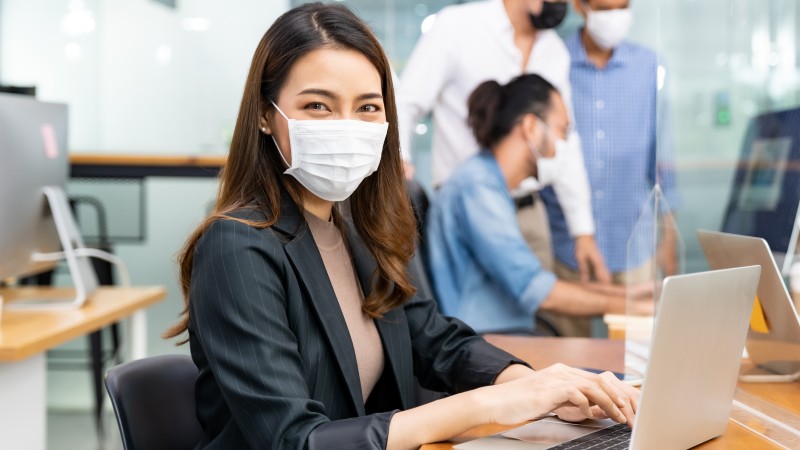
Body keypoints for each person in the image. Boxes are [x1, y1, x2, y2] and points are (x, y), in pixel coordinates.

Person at [164, 4, 639, 449]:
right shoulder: (237, 245)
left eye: (367, 107)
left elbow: (437, 340)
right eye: (318, 106)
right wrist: (492, 403)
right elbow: (297, 439)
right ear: (267, 116)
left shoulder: (356, 229)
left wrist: (541, 385)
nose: (346, 124)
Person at [397, 0, 611, 282]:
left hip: (529, 211)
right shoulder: (457, 27)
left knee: (532, 318)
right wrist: (400, 161)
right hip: (470, 209)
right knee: (477, 317)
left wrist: (582, 231)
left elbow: (565, 142)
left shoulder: (554, 52)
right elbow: (406, 103)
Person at [427, 74, 650, 336]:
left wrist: (628, 294)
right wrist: (632, 305)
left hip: (503, 335)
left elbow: (538, 281)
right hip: (481, 343)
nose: (565, 145)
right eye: (562, 131)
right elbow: (537, 290)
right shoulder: (476, 189)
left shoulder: (490, 183)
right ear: (531, 128)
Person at [542, 0, 680, 288]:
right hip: (564, 244)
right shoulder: (554, 62)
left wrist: (668, 237)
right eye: (605, 8)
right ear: (580, 7)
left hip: (634, 245)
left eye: (623, 6)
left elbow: (663, 159)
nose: (615, 16)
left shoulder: (649, 66)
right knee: (567, 332)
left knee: (637, 331)